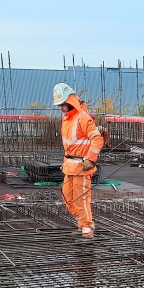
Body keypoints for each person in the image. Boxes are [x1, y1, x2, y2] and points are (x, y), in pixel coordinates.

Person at [52, 83, 104, 239]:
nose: (61, 107)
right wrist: (65, 161)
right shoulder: (67, 119)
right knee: (67, 195)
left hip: (82, 166)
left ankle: (87, 228)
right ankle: (82, 220)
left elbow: (97, 139)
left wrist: (90, 159)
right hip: (70, 166)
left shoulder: (83, 118)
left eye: (62, 104)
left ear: (70, 101)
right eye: (59, 105)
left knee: (81, 199)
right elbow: (70, 145)